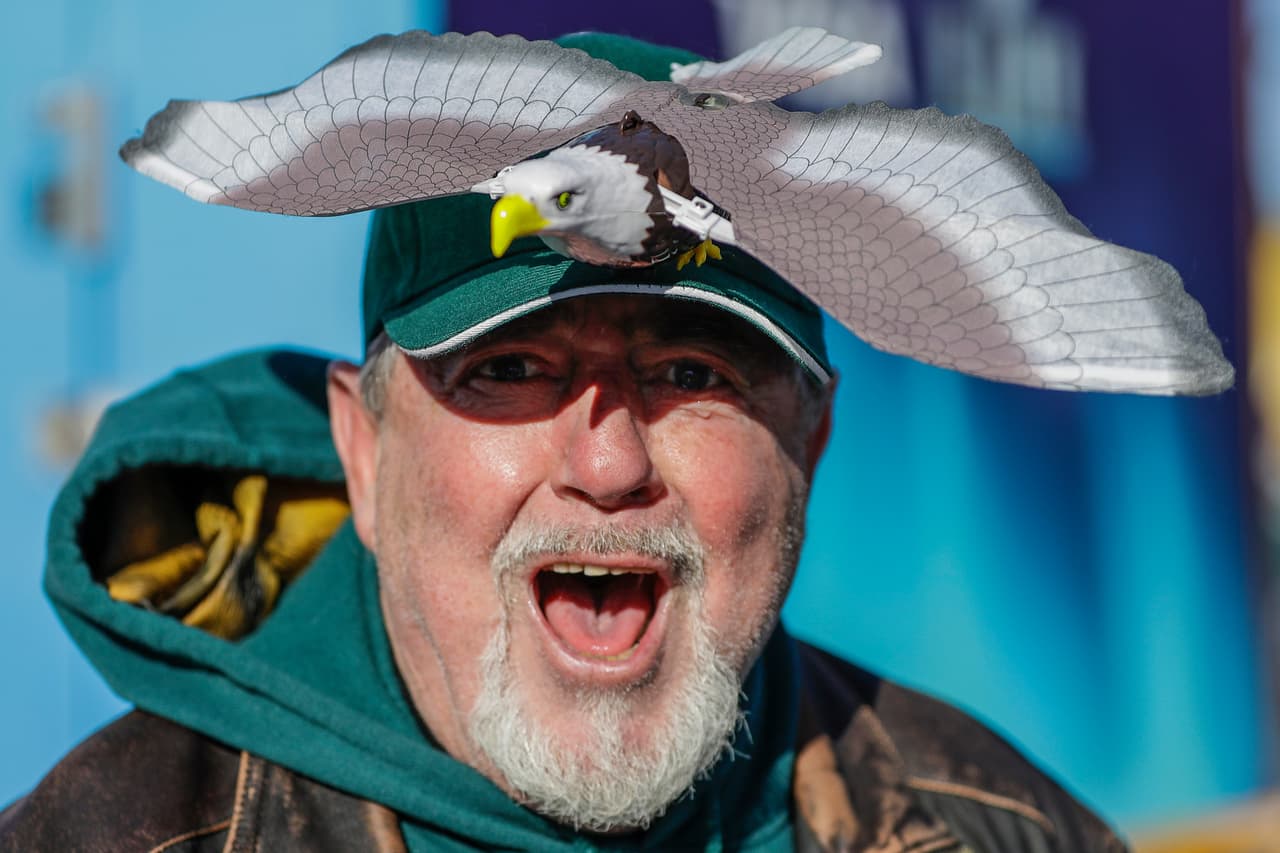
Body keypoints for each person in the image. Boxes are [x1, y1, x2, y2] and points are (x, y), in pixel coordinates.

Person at [1, 30, 1178, 853]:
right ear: (363, 456)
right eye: (509, 370)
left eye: (686, 373)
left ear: (806, 445)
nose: (608, 462)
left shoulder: (1009, 829)